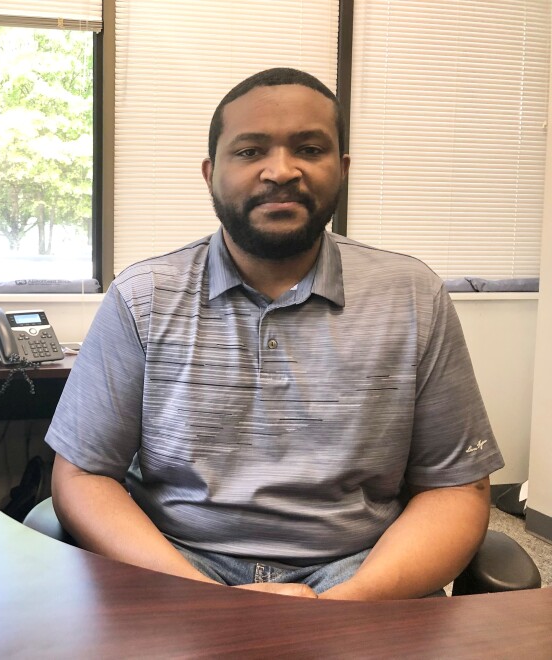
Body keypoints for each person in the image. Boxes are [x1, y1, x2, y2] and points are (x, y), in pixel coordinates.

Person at [44, 67, 504, 600]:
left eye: (309, 149)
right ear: (210, 172)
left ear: (343, 168)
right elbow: (81, 478)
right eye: (249, 151)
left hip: (360, 571)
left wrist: (342, 606)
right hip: (176, 565)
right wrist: (208, 601)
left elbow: (457, 488)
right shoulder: (142, 297)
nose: (281, 171)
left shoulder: (413, 296)